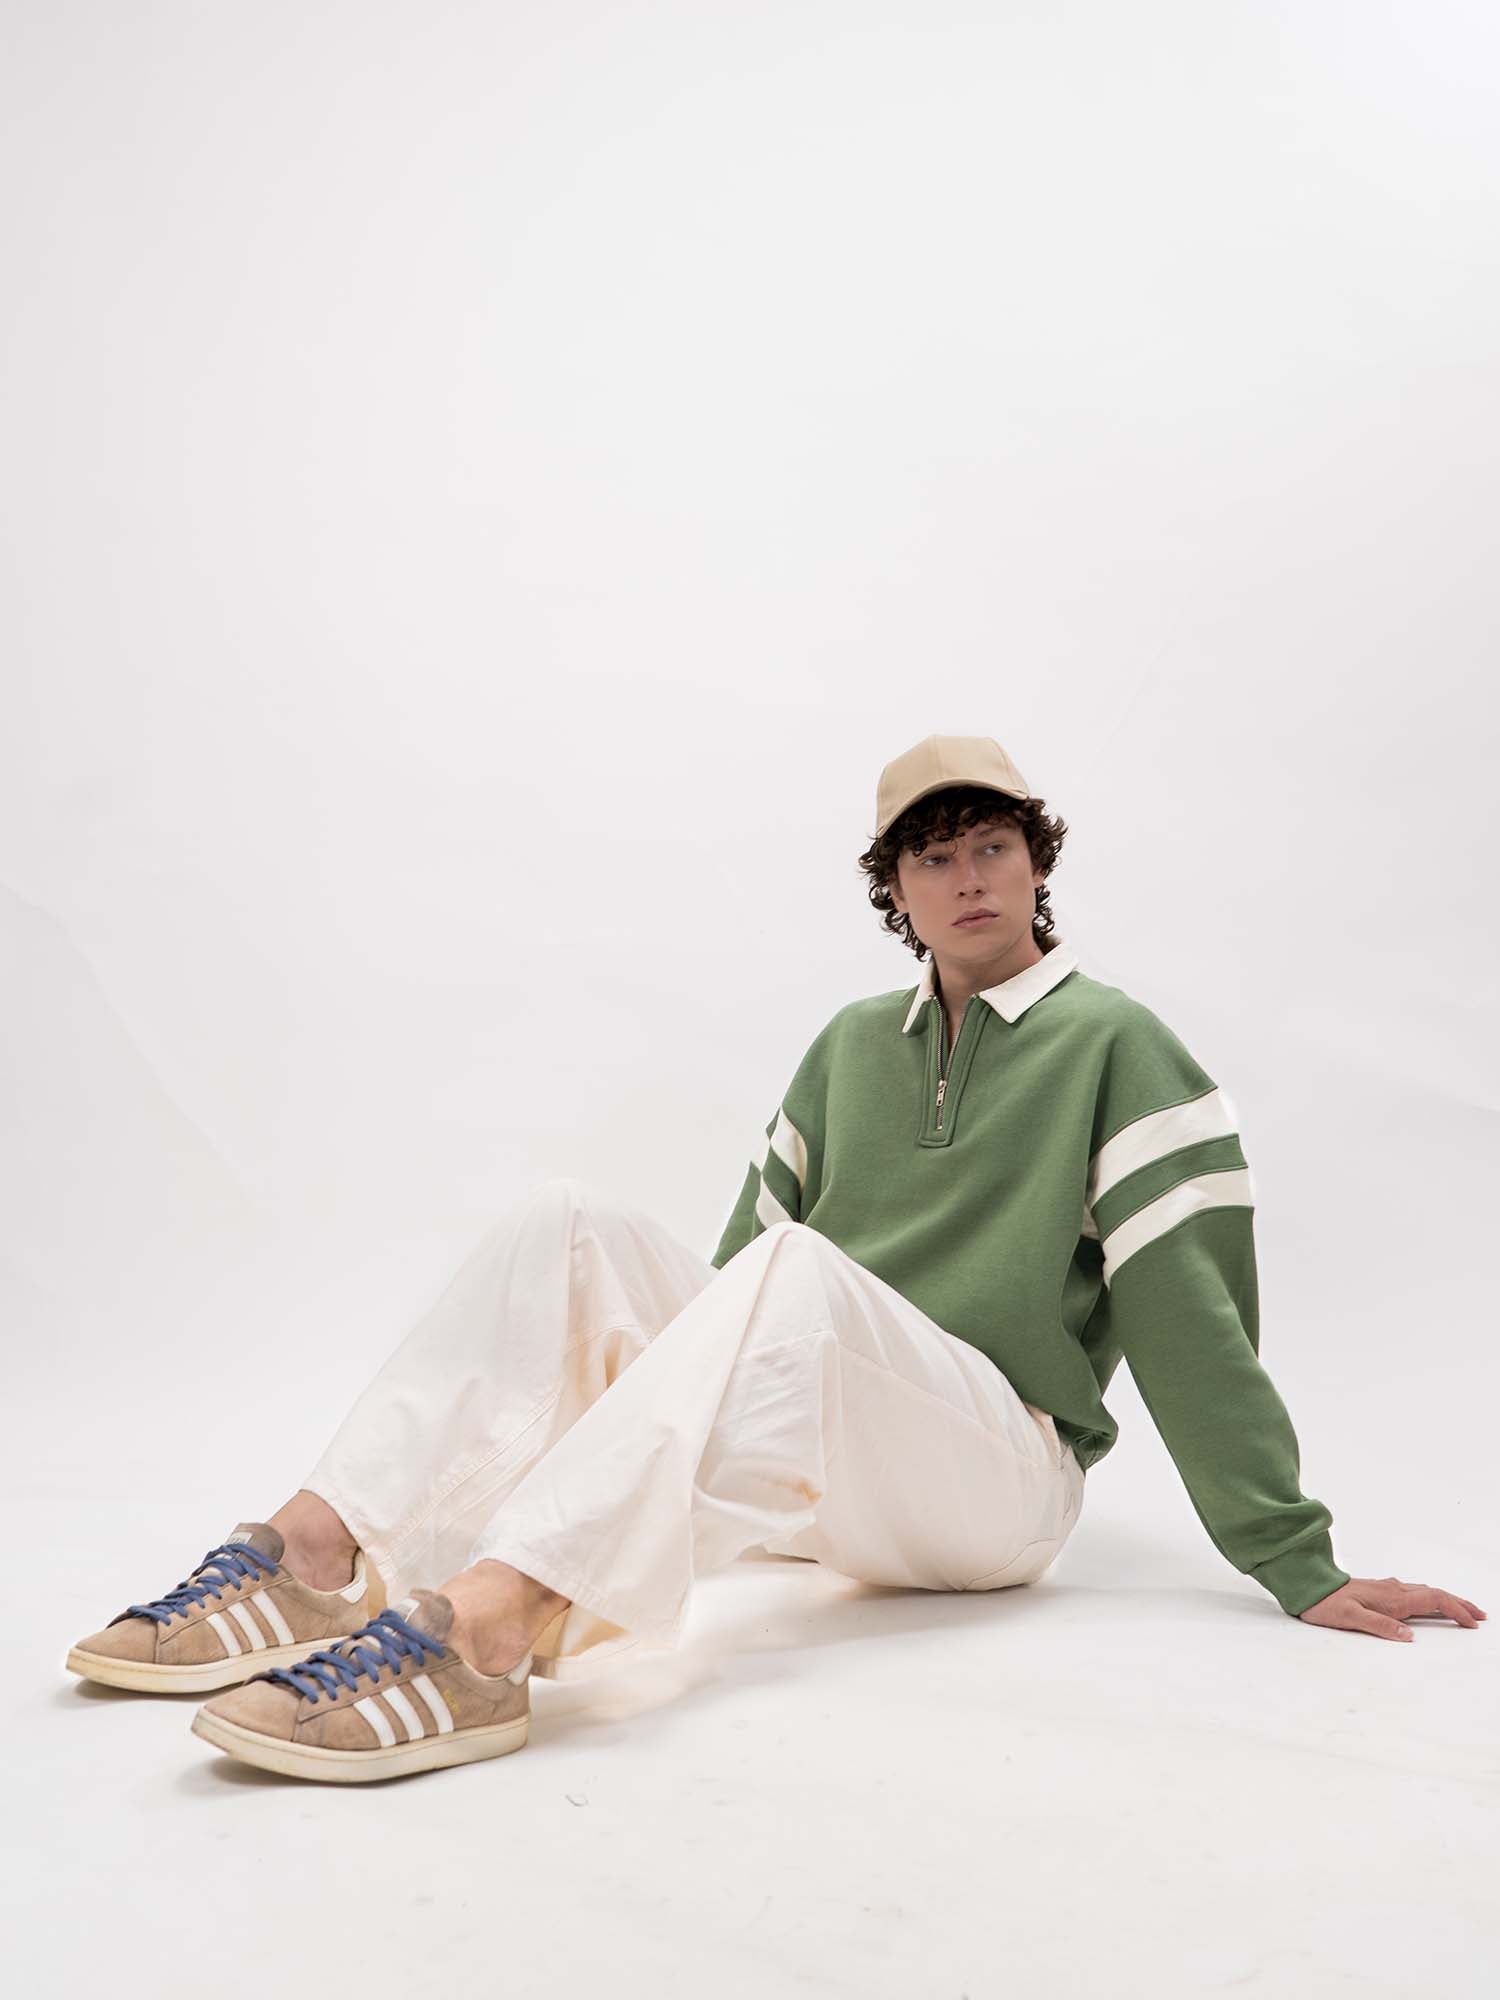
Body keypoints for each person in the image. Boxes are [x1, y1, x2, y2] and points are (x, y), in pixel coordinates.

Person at [64, 733, 1485, 1782]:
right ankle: (324, 1556)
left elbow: (1192, 1312)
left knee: (799, 1272)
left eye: (992, 845)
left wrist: (1292, 1556)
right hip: (831, 1476)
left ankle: (489, 1631)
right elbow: (731, 1297)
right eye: (933, 856)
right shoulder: (850, 1049)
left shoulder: (1117, 1044)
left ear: (1038, 863)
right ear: (897, 893)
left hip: (997, 1482)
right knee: (567, 1219)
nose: (967, 876)